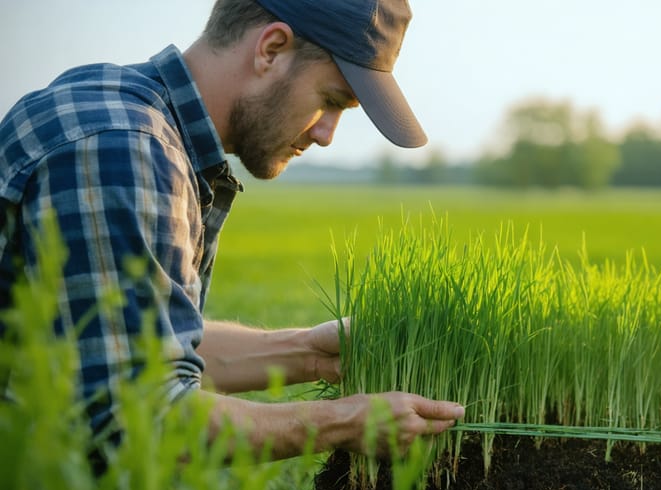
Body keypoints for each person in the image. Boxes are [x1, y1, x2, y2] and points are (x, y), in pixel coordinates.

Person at [0, 0, 464, 466]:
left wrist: (311, 354)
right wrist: (344, 421)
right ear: (271, 49)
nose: (326, 134)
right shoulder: (124, 148)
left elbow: (136, 351)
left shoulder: (124, 112)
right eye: (330, 101)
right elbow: (140, 415)